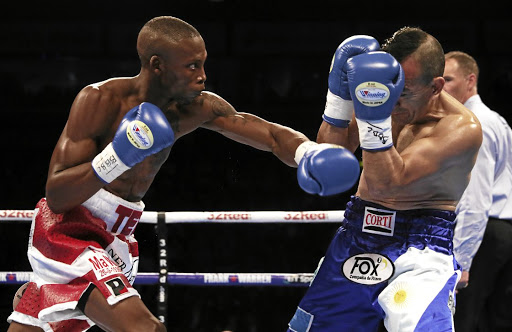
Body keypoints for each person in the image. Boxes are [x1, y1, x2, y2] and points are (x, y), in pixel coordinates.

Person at [7, 16, 361, 332]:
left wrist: (308, 153)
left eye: (203, 63)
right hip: (67, 232)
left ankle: (39, 294)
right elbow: (57, 195)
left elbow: (268, 135)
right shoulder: (100, 101)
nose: (202, 75)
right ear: (157, 65)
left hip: (117, 237)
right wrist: (118, 154)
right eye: (191, 66)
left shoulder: (196, 107)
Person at [287, 27, 483, 332]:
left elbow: (387, 182)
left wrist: (373, 115)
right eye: (390, 87)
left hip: (422, 246)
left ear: (436, 87)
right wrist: (339, 100)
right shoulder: (384, 92)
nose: (393, 100)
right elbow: (333, 153)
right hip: (358, 234)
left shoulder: (461, 128)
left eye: (404, 92)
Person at [443, 51, 512, 332]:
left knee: (462, 321)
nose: (441, 87)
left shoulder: (474, 124)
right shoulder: (497, 120)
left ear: (470, 81)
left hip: (484, 234)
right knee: (495, 322)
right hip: (502, 233)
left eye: (448, 79)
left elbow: (476, 199)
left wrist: (461, 260)